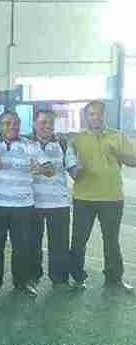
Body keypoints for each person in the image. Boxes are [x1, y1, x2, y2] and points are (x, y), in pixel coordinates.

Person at [0, 110, 53, 297]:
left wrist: (42, 168)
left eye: (15, 123)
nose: (11, 127)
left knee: (22, 247)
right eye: (7, 123)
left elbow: (50, 169)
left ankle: (21, 282)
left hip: (23, 207)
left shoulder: (30, 146)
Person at [69, 101, 136, 293]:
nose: (96, 117)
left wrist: (120, 154)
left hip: (112, 198)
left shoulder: (118, 136)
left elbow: (134, 161)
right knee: (79, 240)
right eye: (91, 114)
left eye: (99, 114)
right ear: (86, 117)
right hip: (83, 197)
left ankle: (114, 278)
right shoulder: (77, 139)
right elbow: (69, 166)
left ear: (104, 116)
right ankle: (77, 277)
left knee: (111, 240)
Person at [28, 110, 77, 291]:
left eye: (50, 122)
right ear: (34, 123)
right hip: (33, 203)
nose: (47, 126)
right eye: (42, 122)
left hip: (59, 204)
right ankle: (33, 277)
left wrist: (86, 168)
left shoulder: (63, 144)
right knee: (32, 243)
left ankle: (60, 279)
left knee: (60, 244)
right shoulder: (26, 144)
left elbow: (73, 170)